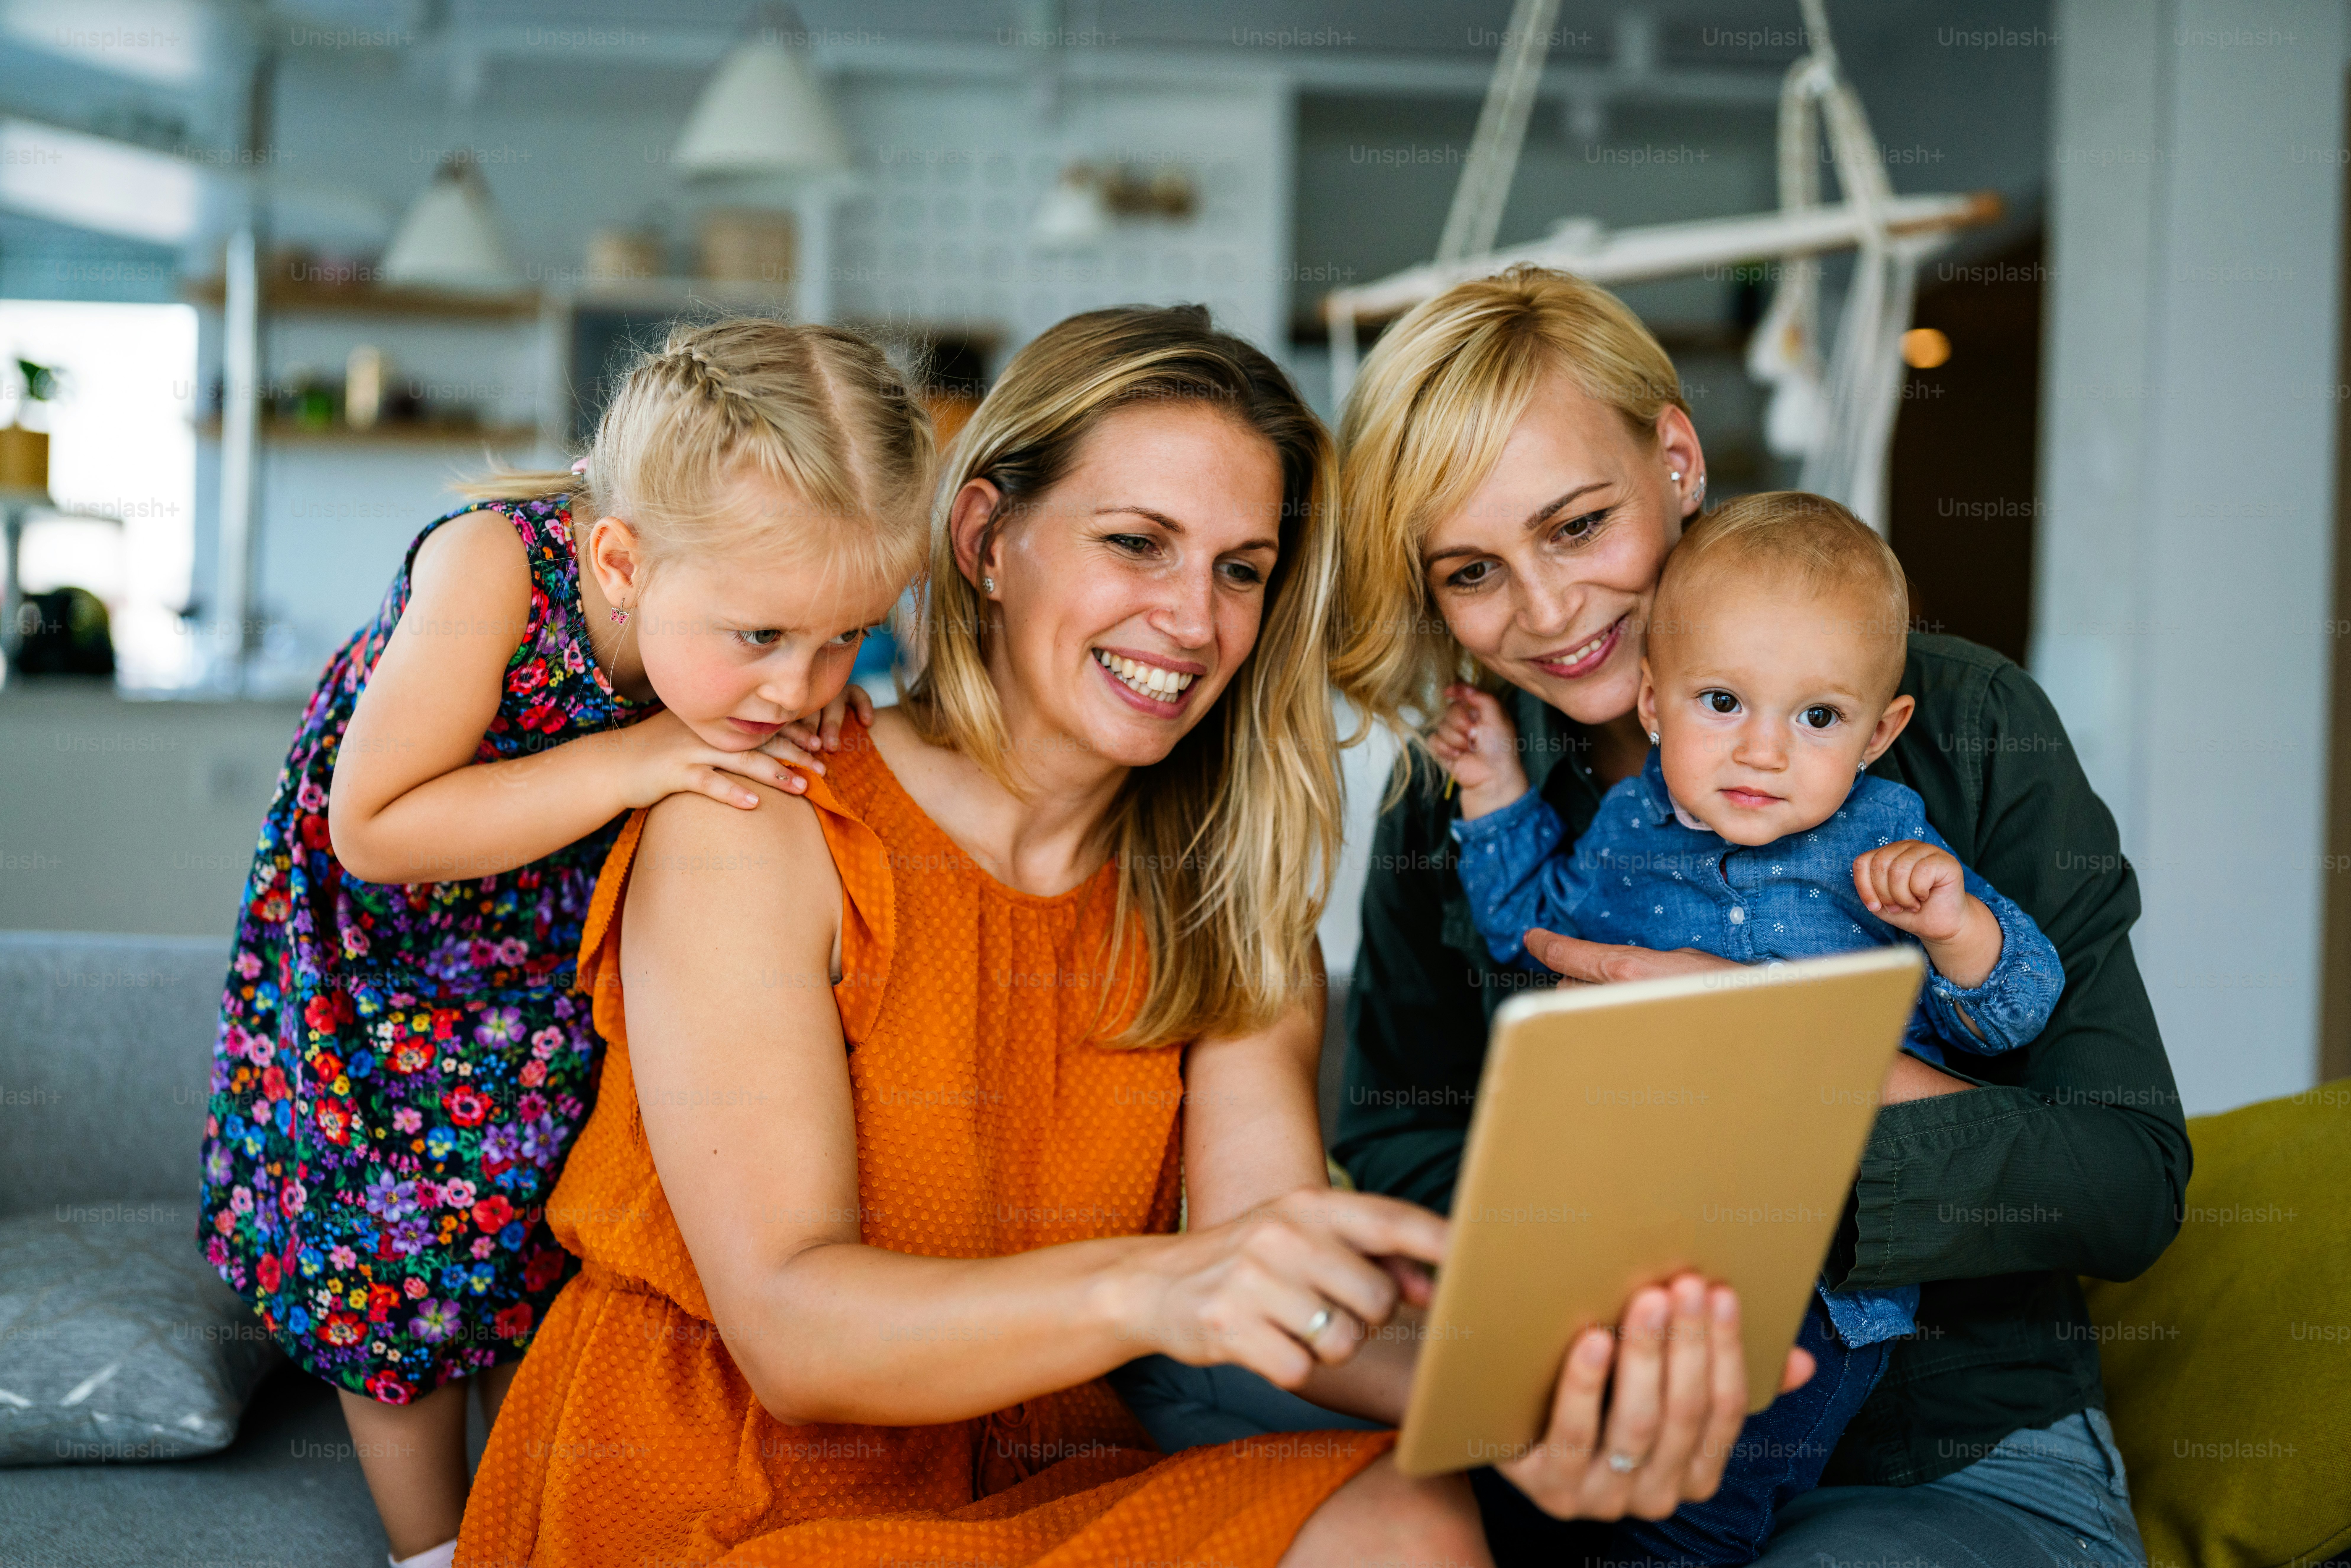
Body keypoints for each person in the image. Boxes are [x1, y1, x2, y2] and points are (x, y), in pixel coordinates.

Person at [456, 304, 1803, 1568]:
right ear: (985, 538)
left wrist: (1550, 1403)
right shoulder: (762, 812)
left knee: (1408, 1514)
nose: (1191, 619)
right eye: (1134, 543)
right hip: (713, 1488)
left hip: (1026, 1483)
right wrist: (1158, 1289)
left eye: (1240, 570)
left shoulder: (1222, 898)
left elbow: (1280, 1273)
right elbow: (795, 1334)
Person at [1327, 264, 2183, 1563]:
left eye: (1574, 527)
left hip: (1948, 1445)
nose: (1548, 615)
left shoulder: (1961, 726)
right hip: (1608, 1424)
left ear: (1674, 456)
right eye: (1469, 571)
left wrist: (1758, 1069)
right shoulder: (1456, 795)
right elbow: (1396, 1140)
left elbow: (2122, 1181)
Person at [196, 318, 929, 1568]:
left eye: (843, 636)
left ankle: (515, 1515)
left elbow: (784, 695)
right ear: (619, 560)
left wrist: (781, 700)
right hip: (388, 975)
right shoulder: (489, 569)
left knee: (530, 1234)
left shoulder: (742, 633)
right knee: (400, 1262)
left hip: (535, 972)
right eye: (763, 637)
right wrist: (636, 755)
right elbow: (372, 827)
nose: (803, 684)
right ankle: (430, 1548)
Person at [1428, 490, 2065, 1563]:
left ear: (1880, 733)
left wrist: (1958, 931)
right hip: (1629, 1248)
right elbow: (1531, 932)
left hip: (1813, 1283)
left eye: (1817, 718)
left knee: (1693, 1519)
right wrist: (1493, 790)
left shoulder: (1889, 850)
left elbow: (2016, 1015)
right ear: (1652, 702)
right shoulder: (1628, 828)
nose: (1765, 752)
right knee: (1547, 1493)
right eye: (1723, 702)